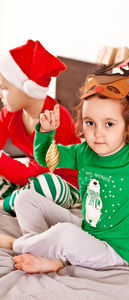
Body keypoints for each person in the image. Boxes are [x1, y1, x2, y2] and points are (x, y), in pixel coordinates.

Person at [0, 64, 129, 274]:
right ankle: (45, 252)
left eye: (109, 124)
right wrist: (46, 132)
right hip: (89, 231)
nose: (97, 133)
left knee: (64, 233)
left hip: (116, 252)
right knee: (25, 198)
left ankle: (18, 245)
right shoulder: (83, 152)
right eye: (90, 123)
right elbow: (45, 158)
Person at [0, 40, 81, 215]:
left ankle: (7, 202)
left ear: (27, 88)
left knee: (47, 185)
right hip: (29, 179)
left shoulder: (57, 119)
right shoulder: (9, 113)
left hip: (63, 183)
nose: (1, 94)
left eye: (4, 88)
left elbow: (38, 172)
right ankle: (18, 198)